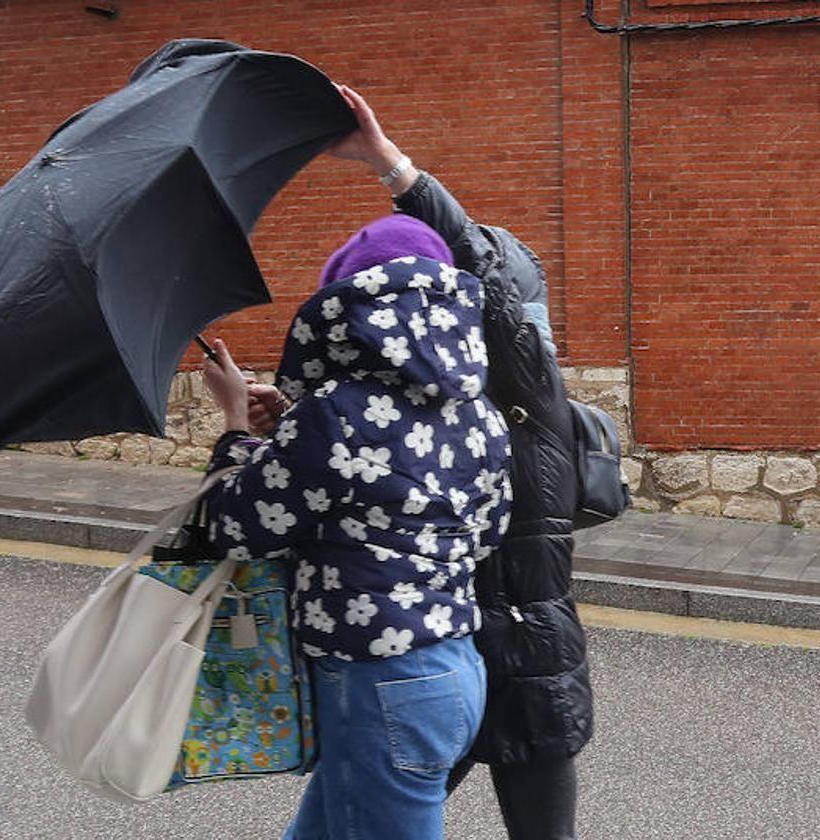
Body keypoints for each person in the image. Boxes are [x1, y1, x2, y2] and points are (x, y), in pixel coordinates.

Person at [251, 85, 593, 840]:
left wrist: (389, 163)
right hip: (453, 642)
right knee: (367, 809)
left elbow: (479, 276)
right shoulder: (462, 406)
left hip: (509, 645)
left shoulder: (526, 385)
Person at [199, 213, 512, 839]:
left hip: (380, 685)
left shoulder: (336, 415)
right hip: (454, 670)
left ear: (348, 314)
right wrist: (292, 422)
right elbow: (486, 529)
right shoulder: (479, 413)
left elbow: (234, 526)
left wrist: (237, 423)